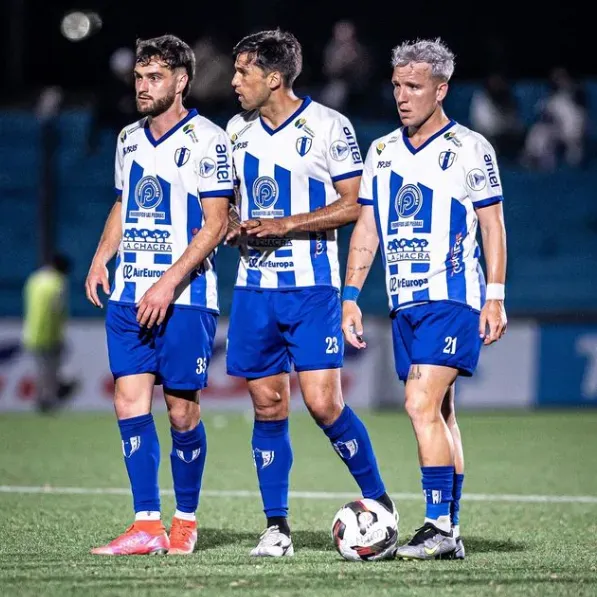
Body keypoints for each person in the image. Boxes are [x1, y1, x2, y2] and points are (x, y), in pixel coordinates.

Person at [225, 28, 396, 558]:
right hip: (254, 291)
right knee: (267, 405)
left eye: (243, 72)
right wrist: (233, 224)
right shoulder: (235, 130)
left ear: (273, 78)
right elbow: (227, 202)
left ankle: (380, 505)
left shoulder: (328, 126)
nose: (233, 82)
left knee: (324, 404)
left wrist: (284, 225)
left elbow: (354, 204)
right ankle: (277, 528)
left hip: (311, 290)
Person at [341, 38, 507, 560]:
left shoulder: (471, 148)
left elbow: (491, 225)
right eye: (397, 86)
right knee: (441, 412)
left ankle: (437, 526)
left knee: (417, 404)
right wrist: (350, 296)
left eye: (414, 86)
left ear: (442, 89)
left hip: (452, 298)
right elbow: (366, 228)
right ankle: (449, 531)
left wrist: (495, 295)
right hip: (403, 304)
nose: (402, 96)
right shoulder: (383, 151)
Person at [85, 34, 233, 556]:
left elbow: (217, 223)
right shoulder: (128, 138)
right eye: (139, 79)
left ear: (181, 81)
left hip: (185, 297)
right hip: (129, 294)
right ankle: (146, 523)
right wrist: (103, 255)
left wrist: (168, 283)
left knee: (181, 412)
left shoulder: (210, 141)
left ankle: (185, 520)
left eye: (154, 78)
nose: (143, 87)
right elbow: (125, 205)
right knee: (128, 401)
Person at [22, 253, 75, 413]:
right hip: (50, 333)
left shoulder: (34, 279)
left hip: (32, 332)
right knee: (51, 371)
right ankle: (49, 402)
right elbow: (56, 309)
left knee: (41, 370)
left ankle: (41, 400)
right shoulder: (58, 283)